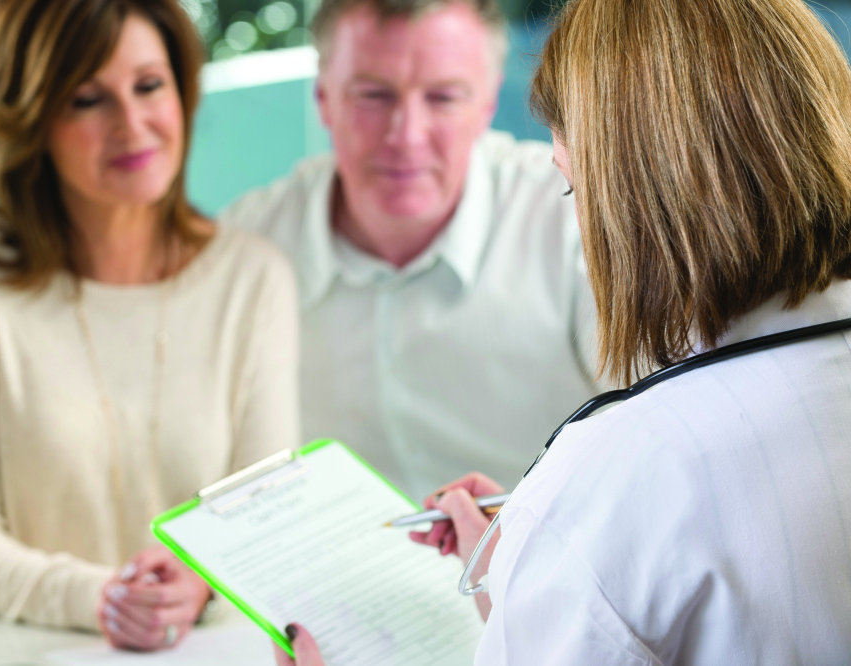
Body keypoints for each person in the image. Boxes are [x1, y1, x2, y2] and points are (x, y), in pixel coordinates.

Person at [275, 0, 851, 662]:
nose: (407, 133)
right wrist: (539, 560)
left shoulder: (615, 481)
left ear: (630, 197)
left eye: (576, 191)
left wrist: (558, 541)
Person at [0, 0, 298, 652]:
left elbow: (264, 525)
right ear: (32, 118)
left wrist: (198, 583)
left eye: (149, 86)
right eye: (88, 100)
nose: (133, 124)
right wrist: (101, 597)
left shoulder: (254, 278)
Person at [220, 0, 601, 500]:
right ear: (323, 99)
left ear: (486, 105)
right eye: (374, 95)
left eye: (443, 97)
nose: (406, 135)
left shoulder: (575, 221)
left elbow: (652, 432)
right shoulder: (245, 249)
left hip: (547, 564)